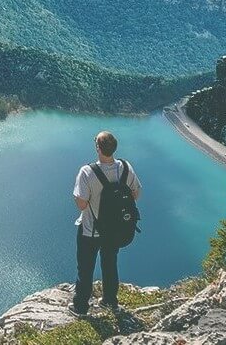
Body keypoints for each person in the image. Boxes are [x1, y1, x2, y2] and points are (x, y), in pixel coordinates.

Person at [69, 130, 142, 315]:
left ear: (98, 148)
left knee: (85, 269)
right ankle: (110, 301)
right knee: (110, 264)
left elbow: (81, 204)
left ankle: (81, 307)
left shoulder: (87, 172)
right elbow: (135, 194)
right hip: (114, 230)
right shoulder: (125, 167)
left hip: (90, 231)